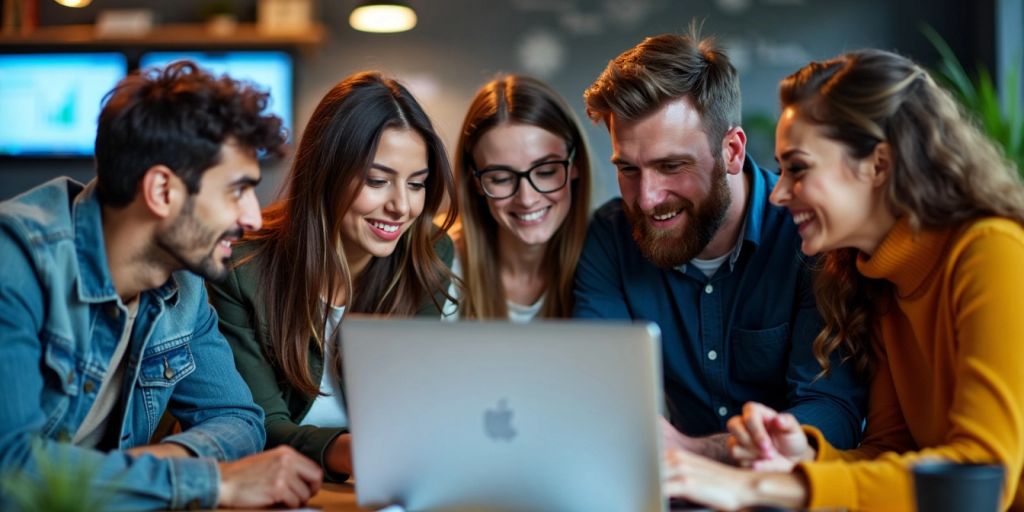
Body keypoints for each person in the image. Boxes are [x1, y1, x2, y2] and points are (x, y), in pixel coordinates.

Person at [664, 49, 1024, 511]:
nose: (777, 193)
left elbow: (981, 475)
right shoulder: (879, 280)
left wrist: (751, 487)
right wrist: (805, 458)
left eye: (798, 168)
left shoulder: (992, 251)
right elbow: (894, 454)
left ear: (879, 164)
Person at [0, 61, 323, 510]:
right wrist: (211, 481)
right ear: (162, 192)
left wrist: (152, 466)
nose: (252, 217)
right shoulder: (14, 263)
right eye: (237, 191)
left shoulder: (184, 288)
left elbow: (240, 420)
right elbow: (10, 471)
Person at [576, 26, 866, 460]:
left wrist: (700, 450)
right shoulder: (610, 238)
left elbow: (832, 414)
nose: (647, 198)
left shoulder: (808, 234)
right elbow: (601, 400)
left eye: (671, 166)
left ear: (731, 149)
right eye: (629, 170)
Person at [207, 71, 457, 482]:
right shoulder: (239, 269)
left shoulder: (426, 253)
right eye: (378, 181)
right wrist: (353, 453)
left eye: (417, 184)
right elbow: (256, 427)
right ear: (326, 173)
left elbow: (417, 411)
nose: (402, 207)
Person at [443, 74, 592, 321]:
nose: (526, 198)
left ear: (575, 165)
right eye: (500, 178)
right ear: (475, 182)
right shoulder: (444, 265)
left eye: (546, 172)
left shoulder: (607, 258)